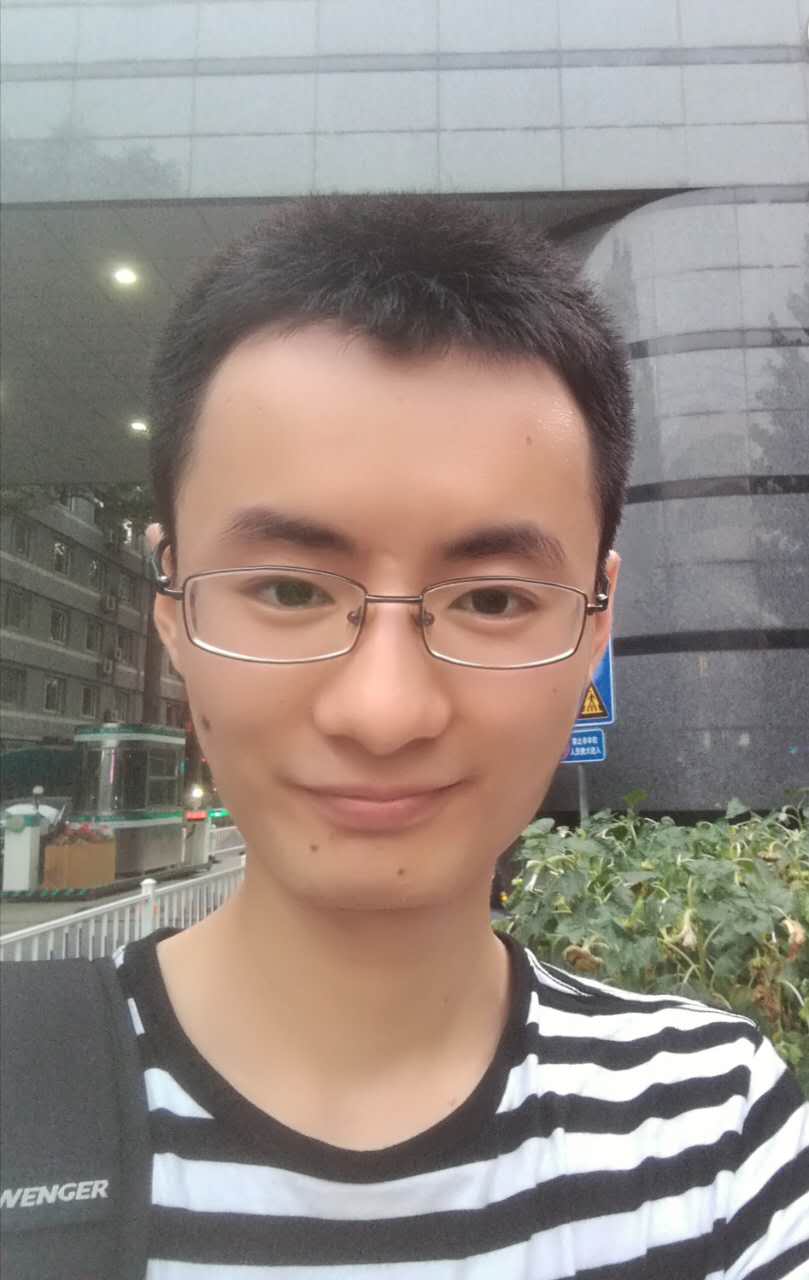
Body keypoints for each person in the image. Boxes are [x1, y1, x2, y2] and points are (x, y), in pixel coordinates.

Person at [57, 195, 809, 1275]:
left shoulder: (713, 1130)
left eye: (493, 600)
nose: (384, 711)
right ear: (170, 606)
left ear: (595, 623)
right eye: (288, 588)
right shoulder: (25, 1093)